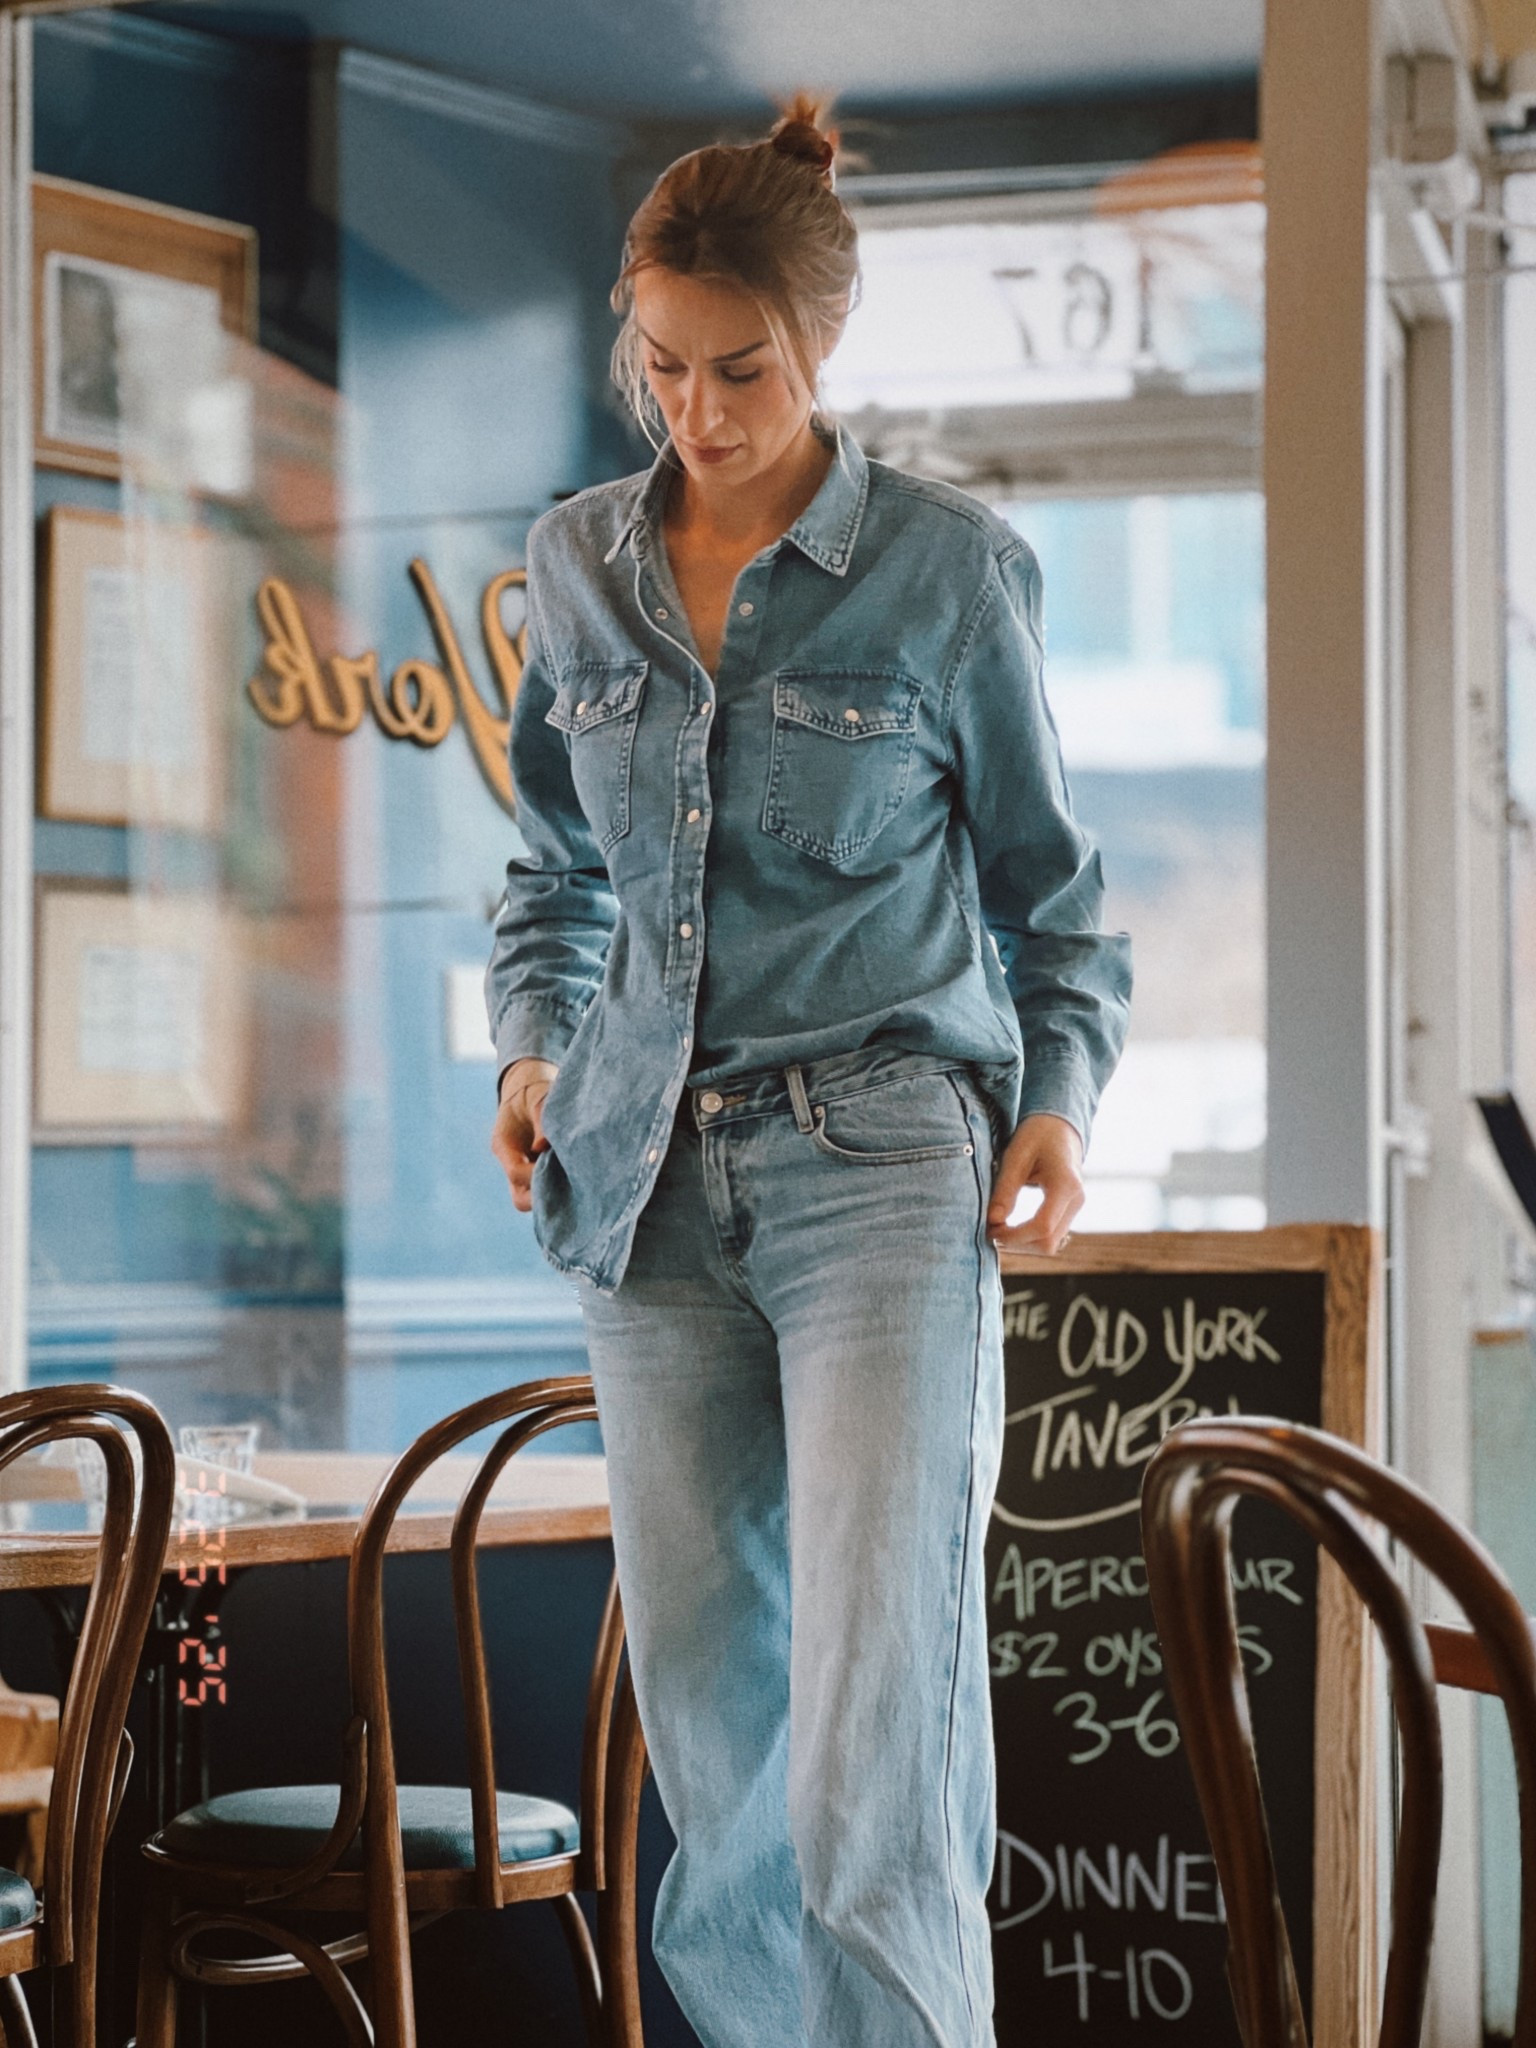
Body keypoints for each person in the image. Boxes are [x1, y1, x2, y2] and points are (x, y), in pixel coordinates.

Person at [485, 87, 1132, 2048]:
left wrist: (1059, 1097)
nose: (697, 409)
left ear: (820, 344)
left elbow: (1057, 898)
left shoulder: (945, 572)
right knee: (717, 1727)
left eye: (740, 368)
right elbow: (553, 879)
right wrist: (529, 1051)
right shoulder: (580, 563)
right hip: (642, 1178)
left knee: (874, 1713)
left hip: (880, 1168)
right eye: (661, 364)